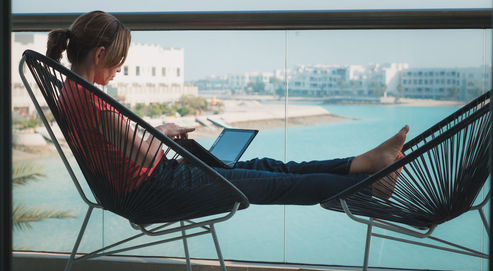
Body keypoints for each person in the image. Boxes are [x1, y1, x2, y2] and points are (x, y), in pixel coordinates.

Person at [46, 11, 408, 208]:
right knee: (277, 183)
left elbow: (120, 147)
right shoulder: (91, 99)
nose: (119, 69)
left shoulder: (71, 93)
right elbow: (144, 156)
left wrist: (161, 131)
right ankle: (370, 186)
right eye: (118, 61)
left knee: (271, 168)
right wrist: (164, 135)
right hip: (156, 190)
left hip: (153, 183)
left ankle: (365, 164)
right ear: (99, 54)